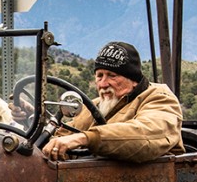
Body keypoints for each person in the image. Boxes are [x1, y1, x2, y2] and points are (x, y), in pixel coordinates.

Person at [42, 41, 185, 163]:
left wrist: (86, 138)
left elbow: (147, 135)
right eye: (99, 76)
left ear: (133, 80)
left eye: (112, 76)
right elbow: (64, 135)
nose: (103, 84)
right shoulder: (96, 105)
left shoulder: (160, 98)